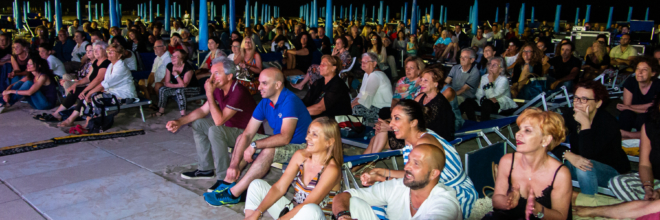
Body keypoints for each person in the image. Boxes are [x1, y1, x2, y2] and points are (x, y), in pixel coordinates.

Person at [203, 68, 312, 206]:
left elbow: (285, 137)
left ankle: (234, 193)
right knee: (241, 138)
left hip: (301, 147)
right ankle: (228, 182)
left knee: (268, 149)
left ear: (277, 85)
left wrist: (255, 146)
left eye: (264, 83)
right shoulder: (265, 102)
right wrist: (234, 165)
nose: (259, 87)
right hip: (284, 142)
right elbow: (248, 133)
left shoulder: (290, 101)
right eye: (259, 83)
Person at [357, 100, 476, 219]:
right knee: (377, 201)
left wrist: (383, 177)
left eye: (397, 118)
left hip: (454, 196)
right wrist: (383, 172)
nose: (391, 124)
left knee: (377, 205)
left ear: (413, 122)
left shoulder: (424, 144)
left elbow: (422, 181)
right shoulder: (412, 140)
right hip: (430, 188)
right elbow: (416, 172)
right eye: (391, 118)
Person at [173, 58, 262, 182]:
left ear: (230, 76)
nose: (212, 78)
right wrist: (180, 122)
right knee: (198, 124)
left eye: (217, 73)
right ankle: (205, 169)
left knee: (216, 130)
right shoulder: (219, 88)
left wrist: (209, 94)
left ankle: (223, 178)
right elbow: (203, 111)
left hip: (248, 134)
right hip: (231, 128)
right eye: (211, 73)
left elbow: (219, 121)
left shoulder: (238, 91)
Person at [244, 117, 343, 220]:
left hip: (313, 216)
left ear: (329, 142)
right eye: (308, 132)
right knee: (256, 185)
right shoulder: (300, 156)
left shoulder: (331, 170)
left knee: (310, 208)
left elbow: (308, 203)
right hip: (295, 212)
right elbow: (279, 188)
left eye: (314, 134)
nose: (307, 138)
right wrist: (257, 213)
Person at [550, 81, 630, 205]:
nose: (577, 102)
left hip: (609, 171)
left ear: (598, 103)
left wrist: (585, 125)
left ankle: (589, 207)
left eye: (584, 99)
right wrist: (567, 154)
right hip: (578, 162)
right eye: (576, 98)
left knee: (585, 166)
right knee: (546, 155)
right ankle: (547, 199)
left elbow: (588, 155)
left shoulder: (608, 123)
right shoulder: (570, 114)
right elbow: (549, 140)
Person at [485, 108, 572, 220]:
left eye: (527, 130)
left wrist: (537, 209)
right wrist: (508, 202)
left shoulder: (560, 174)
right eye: (519, 129)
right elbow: (496, 199)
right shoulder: (507, 162)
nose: (517, 134)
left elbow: (561, 217)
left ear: (545, 140)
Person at [334, 145, 462, 220]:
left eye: (416, 163)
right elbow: (344, 196)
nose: (406, 167)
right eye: (409, 160)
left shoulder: (445, 202)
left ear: (434, 173)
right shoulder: (398, 186)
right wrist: (342, 216)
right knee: (353, 203)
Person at [363, 67, 456, 155]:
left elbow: (422, 128)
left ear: (436, 83)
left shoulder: (439, 104)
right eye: (421, 80)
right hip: (416, 134)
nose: (421, 83)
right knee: (376, 137)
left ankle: (366, 163)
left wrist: (390, 127)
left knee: (381, 135)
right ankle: (359, 166)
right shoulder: (421, 97)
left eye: (425, 81)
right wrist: (386, 123)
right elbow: (406, 114)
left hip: (431, 140)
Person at [609, 93, 660, 202]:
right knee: (617, 182)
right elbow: (645, 164)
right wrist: (648, 188)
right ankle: (649, 209)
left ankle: (644, 209)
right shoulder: (649, 127)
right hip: (654, 180)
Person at [462, 57, 517, 121]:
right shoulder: (484, 77)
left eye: (495, 65)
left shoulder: (503, 80)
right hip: (485, 102)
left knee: (487, 103)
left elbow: (492, 96)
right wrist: (484, 98)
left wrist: (490, 82)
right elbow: (478, 94)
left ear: (501, 69)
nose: (491, 67)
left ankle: (484, 126)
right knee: (468, 102)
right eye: (490, 64)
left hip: (501, 104)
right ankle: (473, 123)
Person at [618, 57, 660, 139]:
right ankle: (622, 140)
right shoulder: (631, 82)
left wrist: (629, 107)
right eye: (637, 69)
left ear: (653, 73)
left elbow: (654, 106)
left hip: (650, 115)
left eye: (644, 70)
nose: (639, 72)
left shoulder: (658, 84)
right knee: (626, 114)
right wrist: (631, 108)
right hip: (632, 114)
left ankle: (641, 140)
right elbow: (626, 106)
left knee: (644, 117)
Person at [151, 49, 200, 117]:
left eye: (176, 56)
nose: (172, 58)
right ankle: (161, 111)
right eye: (172, 56)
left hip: (193, 89)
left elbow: (185, 85)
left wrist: (176, 75)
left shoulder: (188, 68)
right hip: (179, 87)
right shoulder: (169, 66)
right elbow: (167, 83)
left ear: (182, 59)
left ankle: (183, 114)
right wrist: (179, 85)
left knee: (179, 90)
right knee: (162, 89)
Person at [352, 52, 393, 125]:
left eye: (366, 61)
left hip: (382, 109)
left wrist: (352, 105)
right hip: (372, 105)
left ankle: (360, 131)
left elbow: (366, 98)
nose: (363, 63)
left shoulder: (375, 75)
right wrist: (352, 103)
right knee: (349, 103)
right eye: (362, 61)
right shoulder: (366, 74)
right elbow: (362, 94)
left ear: (374, 63)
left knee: (356, 109)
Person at [447, 48, 481, 121]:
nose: (462, 59)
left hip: (465, 97)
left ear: (472, 60)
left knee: (448, 103)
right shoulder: (455, 68)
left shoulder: (475, 72)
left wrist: (449, 95)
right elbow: (446, 82)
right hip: (453, 93)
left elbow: (463, 89)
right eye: (461, 57)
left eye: (465, 57)